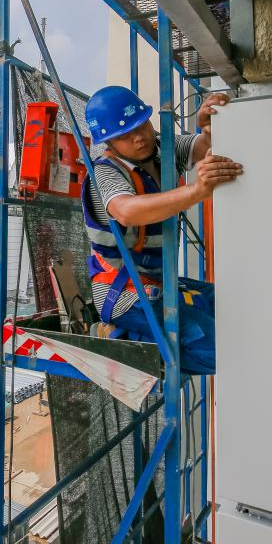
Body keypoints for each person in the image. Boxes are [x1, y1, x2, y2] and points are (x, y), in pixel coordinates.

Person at [81, 86, 242, 374]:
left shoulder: (160, 149)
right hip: (123, 293)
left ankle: (131, 336)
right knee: (223, 353)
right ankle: (122, 340)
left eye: (141, 125)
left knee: (228, 304)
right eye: (125, 135)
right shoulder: (104, 172)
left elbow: (203, 149)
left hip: (158, 283)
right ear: (108, 142)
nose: (139, 137)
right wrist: (197, 191)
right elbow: (126, 211)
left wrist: (207, 129)